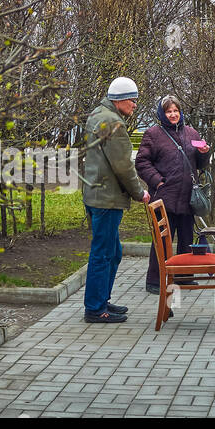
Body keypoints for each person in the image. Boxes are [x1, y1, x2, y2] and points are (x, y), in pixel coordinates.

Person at [81, 76, 149, 324]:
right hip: (107, 199)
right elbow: (122, 167)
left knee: (113, 251)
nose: (135, 105)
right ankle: (96, 308)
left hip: (94, 194)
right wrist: (139, 192)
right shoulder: (115, 124)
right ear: (120, 100)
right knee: (103, 253)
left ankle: (101, 300)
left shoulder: (98, 114)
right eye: (133, 100)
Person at [136, 95, 209, 295]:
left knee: (186, 238)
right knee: (161, 241)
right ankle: (156, 280)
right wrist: (157, 181)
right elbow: (142, 162)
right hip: (164, 198)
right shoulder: (153, 134)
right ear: (162, 114)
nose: (173, 114)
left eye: (176, 110)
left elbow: (201, 165)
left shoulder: (191, 132)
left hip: (187, 197)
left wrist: (204, 153)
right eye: (169, 111)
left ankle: (184, 277)